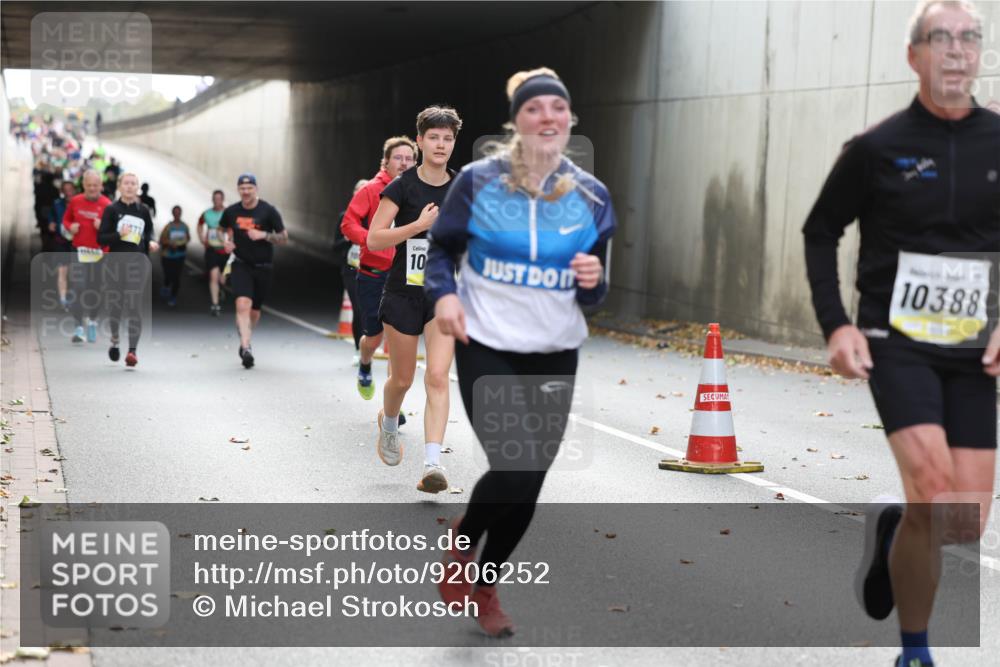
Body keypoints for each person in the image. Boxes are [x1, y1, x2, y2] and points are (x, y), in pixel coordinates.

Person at [802, 3, 999, 666]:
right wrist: (837, 324)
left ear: (979, 55)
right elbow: (820, 229)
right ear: (913, 55)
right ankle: (915, 650)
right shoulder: (877, 149)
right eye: (939, 39)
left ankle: (894, 528)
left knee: (963, 519)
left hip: (977, 348)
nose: (956, 51)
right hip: (897, 339)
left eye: (969, 39)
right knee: (934, 485)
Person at [426, 67, 616, 637]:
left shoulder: (591, 195)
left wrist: (593, 279)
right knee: (515, 465)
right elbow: (441, 250)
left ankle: (485, 582)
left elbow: (598, 291)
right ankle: (461, 548)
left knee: (530, 482)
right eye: (536, 109)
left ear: (570, 121)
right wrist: (445, 296)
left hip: (556, 349)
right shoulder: (480, 182)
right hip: (486, 342)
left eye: (558, 108)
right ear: (518, 122)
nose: (548, 118)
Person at [367, 106, 462, 492]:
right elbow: (374, 238)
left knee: (438, 377)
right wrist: (419, 227)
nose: (441, 145)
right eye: (434, 137)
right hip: (403, 294)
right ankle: (389, 422)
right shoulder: (402, 186)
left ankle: (432, 466)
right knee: (402, 379)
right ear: (420, 141)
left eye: (448, 138)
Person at [340, 136, 417, 398]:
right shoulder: (372, 190)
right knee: (374, 337)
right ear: (385, 161)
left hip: (406, 274)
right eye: (398, 158)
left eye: (409, 159)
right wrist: (371, 241)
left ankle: (394, 405)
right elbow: (348, 223)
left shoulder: (418, 189)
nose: (404, 163)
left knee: (397, 339)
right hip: (374, 274)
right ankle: (364, 362)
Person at [219, 173, 288, 369]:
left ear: (256, 189)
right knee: (242, 304)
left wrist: (264, 235)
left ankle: (246, 335)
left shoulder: (268, 211)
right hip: (241, 264)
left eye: (249, 188)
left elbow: (284, 237)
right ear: (238, 190)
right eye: (242, 188)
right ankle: (246, 347)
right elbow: (221, 229)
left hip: (263, 266)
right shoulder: (232, 211)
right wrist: (226, 241)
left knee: (255, 311)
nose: (246, 192)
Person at [97, 172, 159, 367]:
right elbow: (101, 238)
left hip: (137, 263)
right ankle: (115, 340)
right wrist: (118, 234)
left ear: (137, 187)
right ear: (120, 186)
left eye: (133, 183)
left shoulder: (143, 210)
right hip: (115, 264)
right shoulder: (111, 210)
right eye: (126, 183)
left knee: (133, 304)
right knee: (115, 306)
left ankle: (132, 351)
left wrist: (151, 242)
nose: (130, 186)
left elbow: (149, 231)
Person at [63, 169, 112, 343]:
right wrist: (70, 227)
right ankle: (78, 327)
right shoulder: (75, 201)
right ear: (83, 185)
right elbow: (66, 219)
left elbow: (115, 232)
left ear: (101, 186)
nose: (92, 188)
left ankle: (91, 321)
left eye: (95, 185)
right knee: (77, 287)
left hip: (99, 254)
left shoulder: (107, 205)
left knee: (94, 289)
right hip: (79, 251)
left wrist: (103, 227)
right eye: (89, 185)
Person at [335, 179, 369, 361]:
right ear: (354, 193)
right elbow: (335, 246)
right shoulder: (345, 216)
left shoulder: (376, 215)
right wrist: (350, 238)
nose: (361, 192)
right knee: (358, 308)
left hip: (373, 268)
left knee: (372, 310)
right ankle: (359, 349)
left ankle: (369, 345)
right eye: (358, 189)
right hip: (351, 269)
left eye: (365, 189)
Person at [198, 189, 229, 316]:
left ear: (222, 200)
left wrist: (230, 240)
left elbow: (233, 229)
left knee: (223, 279)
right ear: (212, 200)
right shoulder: (207, 214)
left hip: (226, 250)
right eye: (215, 199)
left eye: (219, 199)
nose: (217, 201)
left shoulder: (228, 214)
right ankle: (215, 305)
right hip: (212, 249)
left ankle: (221, 287)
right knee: (213, 276)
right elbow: (199, 225)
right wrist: (201, 238)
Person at [49, 180, 77, 309]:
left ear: (74, 190)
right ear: (62, 191)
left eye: (70, 189)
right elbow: (51, 218)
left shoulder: (80, 204)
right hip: (61, 242)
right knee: (62, 271)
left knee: (75, 273)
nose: (68, 192)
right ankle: (63, 299)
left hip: (77, 244)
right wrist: (51, 224)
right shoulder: (56, 204)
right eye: (65, 190)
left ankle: (75, 297)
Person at [159, 206, 191, 307]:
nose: (177, 215)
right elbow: (161, 240)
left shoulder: (184, 226)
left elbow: (188, 238)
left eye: (179, 213)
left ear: (180, 214)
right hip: (167, 256)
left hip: (179, 256)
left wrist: (181, 244)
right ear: (173, 214)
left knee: (176, 277)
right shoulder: (168, 227)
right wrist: (170, 244)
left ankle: (173, 297)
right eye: (175, 213)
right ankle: (166, 286)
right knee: (168, 275)